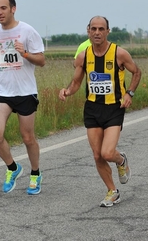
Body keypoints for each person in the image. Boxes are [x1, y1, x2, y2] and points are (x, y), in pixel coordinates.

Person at [59, 16, 141, 207]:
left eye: (101, 29)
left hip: (114, 108)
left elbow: (136, 72)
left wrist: (129, 93)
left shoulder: (119, 53)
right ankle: (112, 191)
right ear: (88, 30)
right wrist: (67, 91)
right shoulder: (83, 56)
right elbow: (77, 82)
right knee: (97, 155)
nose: (97, 32)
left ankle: (121, 160)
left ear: (107, 31)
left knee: (107, 152)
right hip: (92, 109)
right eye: (93, 29)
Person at [0, 0, 46, 195]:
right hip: (1, 91)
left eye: (3, 8)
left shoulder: (27, 31)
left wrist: (25, 53)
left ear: (13, 9)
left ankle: (35, 173)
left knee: (27, 138)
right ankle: (13, 168)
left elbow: (42, 60)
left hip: (25, 91)